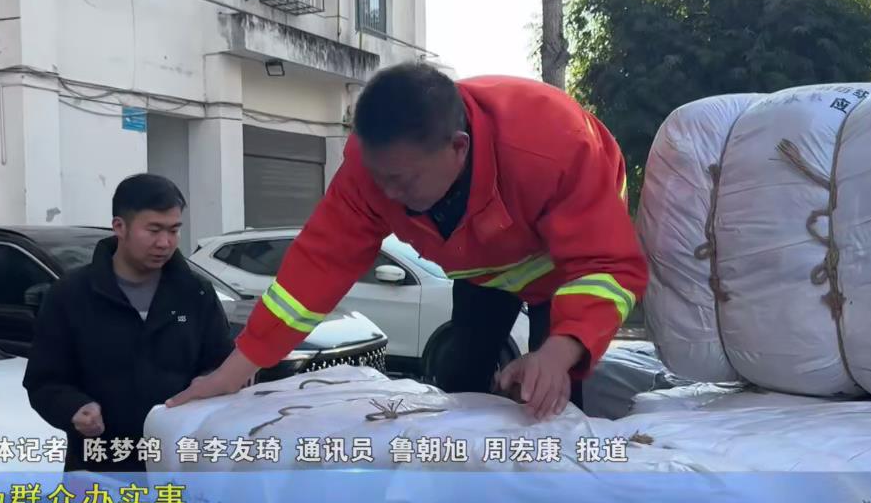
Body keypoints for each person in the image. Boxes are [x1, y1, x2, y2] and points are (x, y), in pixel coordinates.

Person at [169, 62, 648, 420]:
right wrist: (233, 372)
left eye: (402, 181)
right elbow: (311, 274)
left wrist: (559, 351)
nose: (389, 196)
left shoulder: (553, 148)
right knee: (461, 379)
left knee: (548, 399)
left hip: (567, 270)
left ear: (458, 147)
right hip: (484, 274)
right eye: (379, 180)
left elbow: (608, 267)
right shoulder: (372, 171)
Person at [24, 173, 233, 471]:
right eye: (154, 230)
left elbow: (221, 363)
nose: (165, 242)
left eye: (174, 230)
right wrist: (73, 407)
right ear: (119, 227)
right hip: (99, 465)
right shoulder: (71, 295)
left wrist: (209, 383)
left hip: (180, 462)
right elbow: (44, 380)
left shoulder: (195, 292)